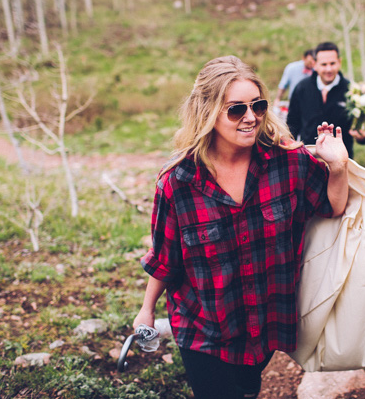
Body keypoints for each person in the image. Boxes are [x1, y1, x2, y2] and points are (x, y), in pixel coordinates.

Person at [133, 55, 349, 399]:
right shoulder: (178, 183)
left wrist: (338, 166)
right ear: (208, 113)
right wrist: (146, 310)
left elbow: (332, 206)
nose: (251, 118)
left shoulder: (289, 162)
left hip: (264, 324)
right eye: (236, 110)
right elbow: (165, 258)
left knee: (248, 389)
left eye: (258, 106)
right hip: (203, 327)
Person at [286, 41, 365, 159]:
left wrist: (362, 137)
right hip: (309, 159)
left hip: (342, 160)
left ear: (339, 62)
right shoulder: (302, 88)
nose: (329, 69)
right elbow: (292, 124)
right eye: (324, 64)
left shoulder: (352, 91)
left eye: (332, 63)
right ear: (314, 64)